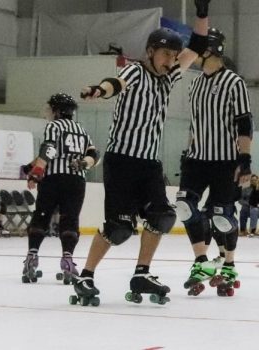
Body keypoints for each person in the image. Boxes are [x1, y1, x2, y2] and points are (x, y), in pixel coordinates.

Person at [71, 3, 208, 306]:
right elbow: (115, 84)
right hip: (122, 161)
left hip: (150, 164)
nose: (170, 60)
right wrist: (98, 90)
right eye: (164, 54)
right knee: (118, 228)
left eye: (173, 56)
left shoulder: (169, 76)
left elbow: (197, 47)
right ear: (150, 52)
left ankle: (141, 273)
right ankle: (86, 275)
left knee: (162, 217)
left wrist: (201, 12)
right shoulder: (134, 70)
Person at [176, 26, 252, 297]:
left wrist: (245, 160)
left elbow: (244, 123)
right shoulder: (195, 83)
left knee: (221, 217)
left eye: (198, 47)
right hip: (197, 160)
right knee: (184, 206)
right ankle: (202, 262)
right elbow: (195, 125)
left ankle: (228, 264)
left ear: (211, 49)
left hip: (225, 161)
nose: (192, 52)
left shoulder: (235, 82)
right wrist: (187, 152)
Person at [20, 93, 96, 285]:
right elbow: (94, 154)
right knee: (70, 218)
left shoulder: (54, 126)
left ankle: (32, 258)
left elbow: (49, 150)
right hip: (76, 180)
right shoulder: (81, 129)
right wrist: (84, 164)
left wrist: (36, 172)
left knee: (42, 216)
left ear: (57, 110)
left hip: (53, 178)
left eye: (50, 108)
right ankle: (68, 260)